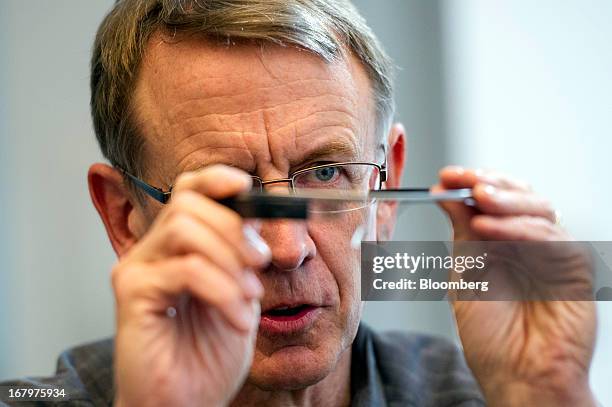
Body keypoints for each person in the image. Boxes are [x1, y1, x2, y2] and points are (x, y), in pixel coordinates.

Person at [0, 0, 598, 406]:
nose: (286, 250)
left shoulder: (475, 392)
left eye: (327, 172)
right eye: (227, 193)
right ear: (125, 217)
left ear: (386, 192)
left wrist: (548, 393)